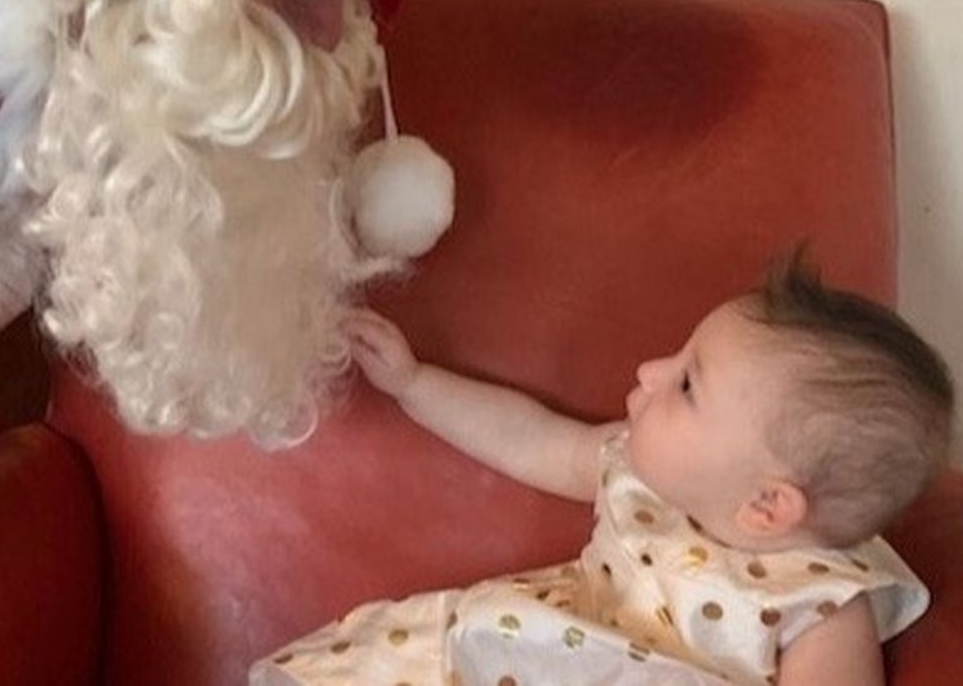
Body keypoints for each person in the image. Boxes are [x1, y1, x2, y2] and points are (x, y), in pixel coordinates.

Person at [250, 255, 955, 685]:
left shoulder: (824, 605)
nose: (649, 370)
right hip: (518, 657)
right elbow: (532, 441)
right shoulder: (642, 470)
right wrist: (415, 385)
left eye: (686, 385)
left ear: (766, 506)